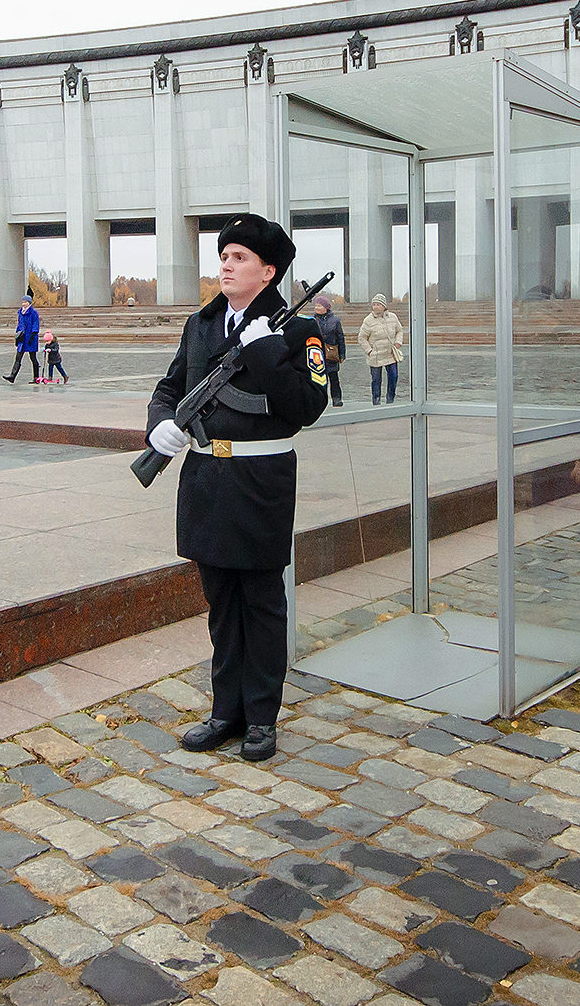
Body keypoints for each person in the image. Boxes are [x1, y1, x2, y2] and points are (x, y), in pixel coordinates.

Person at [146, 213, 329, 761]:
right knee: (220, 601)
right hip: (206, 481)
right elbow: (170, 385)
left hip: (260, 482)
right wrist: (159, 422)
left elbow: (307, 407)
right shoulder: (201, 325)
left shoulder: (297, 331)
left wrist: (264, 349)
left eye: (240, 257)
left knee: (262, 601)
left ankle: (261, 718)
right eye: (224, 255)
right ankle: (226, 711)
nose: (226, 264)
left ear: (269, 271)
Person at [358, 295, 404, 404]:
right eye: (374, 304)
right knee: (376, 380)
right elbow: (362, 337)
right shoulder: (368, 320)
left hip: (390, 354)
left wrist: (398, 342)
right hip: (376, 355)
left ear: (384, 306)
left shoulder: (393, 317)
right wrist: (369, 351)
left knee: (393, 376)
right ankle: (376, 401)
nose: (375, 307)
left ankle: (390, 399)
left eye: (378, 304)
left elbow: (399, 330)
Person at [313, 296, 345, 407]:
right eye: (316, 305)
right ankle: (321, 401)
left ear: (326, 307)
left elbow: (340, 337)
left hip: (331, 353)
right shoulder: (312, 320)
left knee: (334, 378)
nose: (317, 307)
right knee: (319, 379)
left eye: (319, 305)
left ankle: (336, 398)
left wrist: (342, 354)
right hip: (317, 353)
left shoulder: (335, 320)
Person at [3, 290, 41, 383]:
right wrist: (17, 334)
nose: (23, 303)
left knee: (33, 358)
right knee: (18, 358)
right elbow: (19, 324)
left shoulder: (34, 313)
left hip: (31, 338)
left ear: (29, 303)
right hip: (22, 338)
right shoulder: (20, 312)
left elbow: (36, 324)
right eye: (22, 302)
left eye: (25, 302)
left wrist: (33, 334)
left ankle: (36, 378)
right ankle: (12, 376)